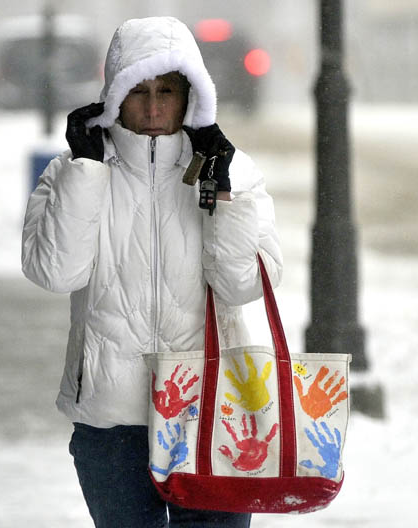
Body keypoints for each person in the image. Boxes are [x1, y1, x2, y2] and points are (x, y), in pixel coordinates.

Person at [21, 16, 282, 528]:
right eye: (138, 90)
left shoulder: (234, 172)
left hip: (212, 415)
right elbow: (55, 272)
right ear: (115, 93)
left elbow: (243, 284)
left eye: (168, 89)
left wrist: (223, 192)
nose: (155, 106)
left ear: (192, 95)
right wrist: (86, 172)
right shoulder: (72, 172)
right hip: (112, 420)